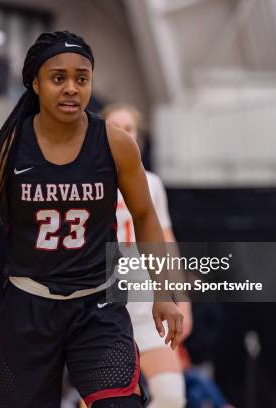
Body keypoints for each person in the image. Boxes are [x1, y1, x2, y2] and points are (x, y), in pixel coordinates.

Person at [0, 31, 183, 408]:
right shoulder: (5, 151)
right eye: (58, 78)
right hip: (28, 307)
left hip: (97, 305)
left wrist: (164, 292)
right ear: (35, 82)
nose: (71, 88)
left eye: (81, 78)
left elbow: (146, 218)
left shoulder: (115, 144)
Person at [104, 104, 192, 407]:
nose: (122, 134)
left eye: (128, 128)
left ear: (137, 136)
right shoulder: (88, 181)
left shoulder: (152, 183)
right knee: (105, 397)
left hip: (145, 302)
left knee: (170, 395)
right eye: (114, 127)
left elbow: (166, 243)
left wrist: (181, 299)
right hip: (103, 304)